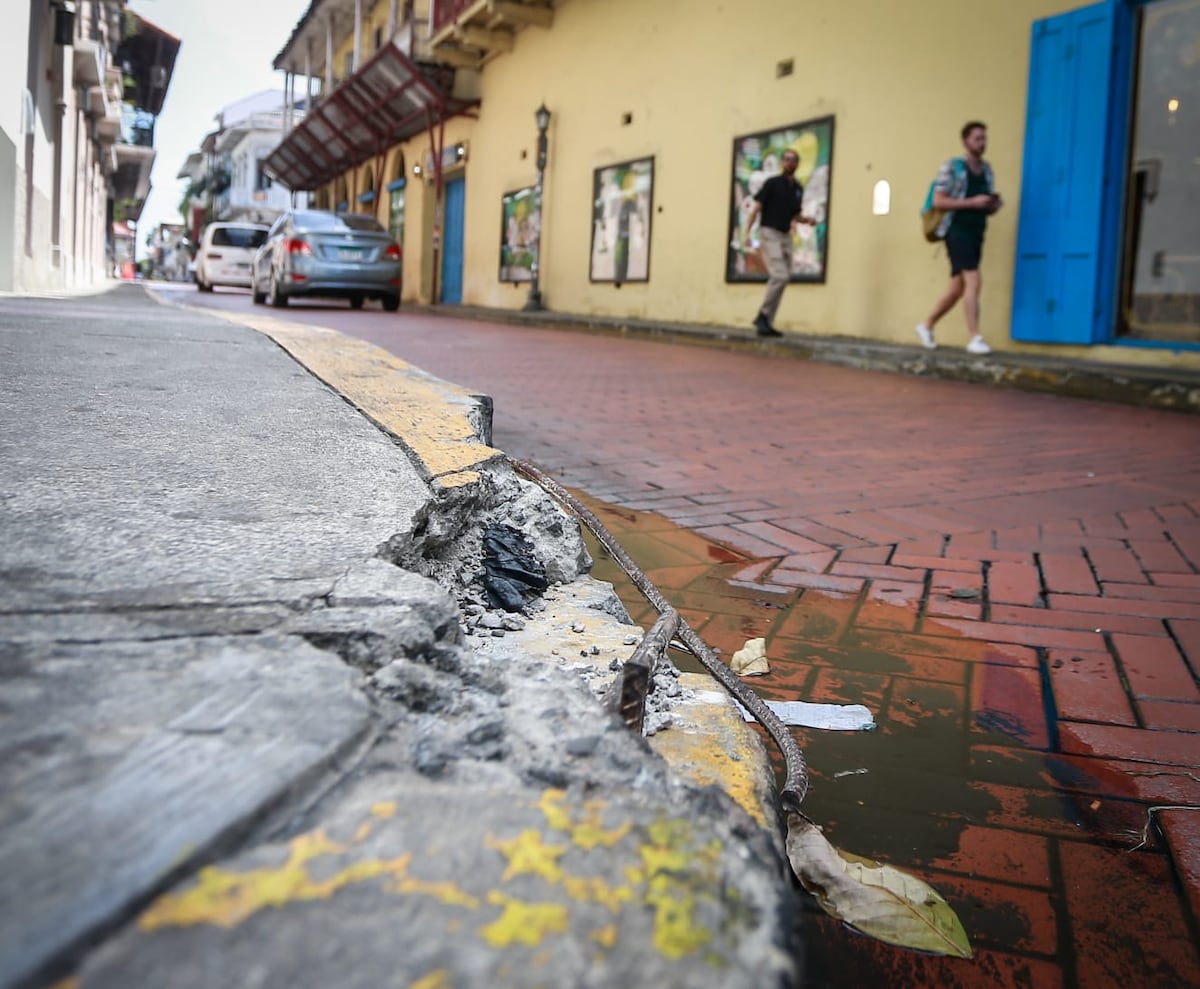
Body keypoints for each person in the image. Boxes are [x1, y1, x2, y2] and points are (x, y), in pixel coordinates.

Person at [915, 121, 1003, 354]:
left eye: (984, 138)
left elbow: (986, 205)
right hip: (956, 230)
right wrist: (971, 203)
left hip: (977, 232)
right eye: (977, 138)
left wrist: (993, 205)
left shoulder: (987, 170)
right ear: (965, 141)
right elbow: (938, 201)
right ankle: (975, 337)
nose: (982, 143)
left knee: (957, 288)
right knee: (973, 279)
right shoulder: (952, 167)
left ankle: (926, 325)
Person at [744, 149, 817, 337]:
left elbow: (795, 215)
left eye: (793, 160)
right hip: (769, 232)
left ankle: (766, 320)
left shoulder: (797, 189)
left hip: (785, 235)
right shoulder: (772, 184)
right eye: (786, 159)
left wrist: (806, 220)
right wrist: (747, 233)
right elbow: (757, 208)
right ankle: (763, 316)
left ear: (797, 164)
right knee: (780, 275)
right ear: (782, 163)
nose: (789, 163)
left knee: (784, 277)